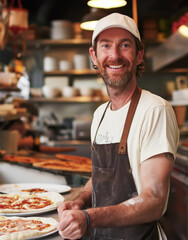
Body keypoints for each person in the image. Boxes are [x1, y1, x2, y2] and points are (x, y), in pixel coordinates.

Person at [57, 13, 180, 240]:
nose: (114, 55)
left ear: (139, 55)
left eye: (124, 45)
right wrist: (80, 201)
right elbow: (103, 176)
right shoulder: (100, 114)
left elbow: (153, 200)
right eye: (105, 46)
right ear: (93, 56)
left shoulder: (154, 110)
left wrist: (89, 218)